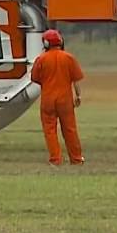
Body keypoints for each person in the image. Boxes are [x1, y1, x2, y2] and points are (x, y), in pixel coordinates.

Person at [29, 29, 85, 166]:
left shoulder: (41, 59)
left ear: (46, 43)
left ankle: (56, 159)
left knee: (50, 130)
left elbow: (35, 78)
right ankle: (76, 158)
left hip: (48, 100)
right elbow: (76, 80)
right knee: (70, 129)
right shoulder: (69, 57)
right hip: (65, 100)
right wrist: (78, 95)